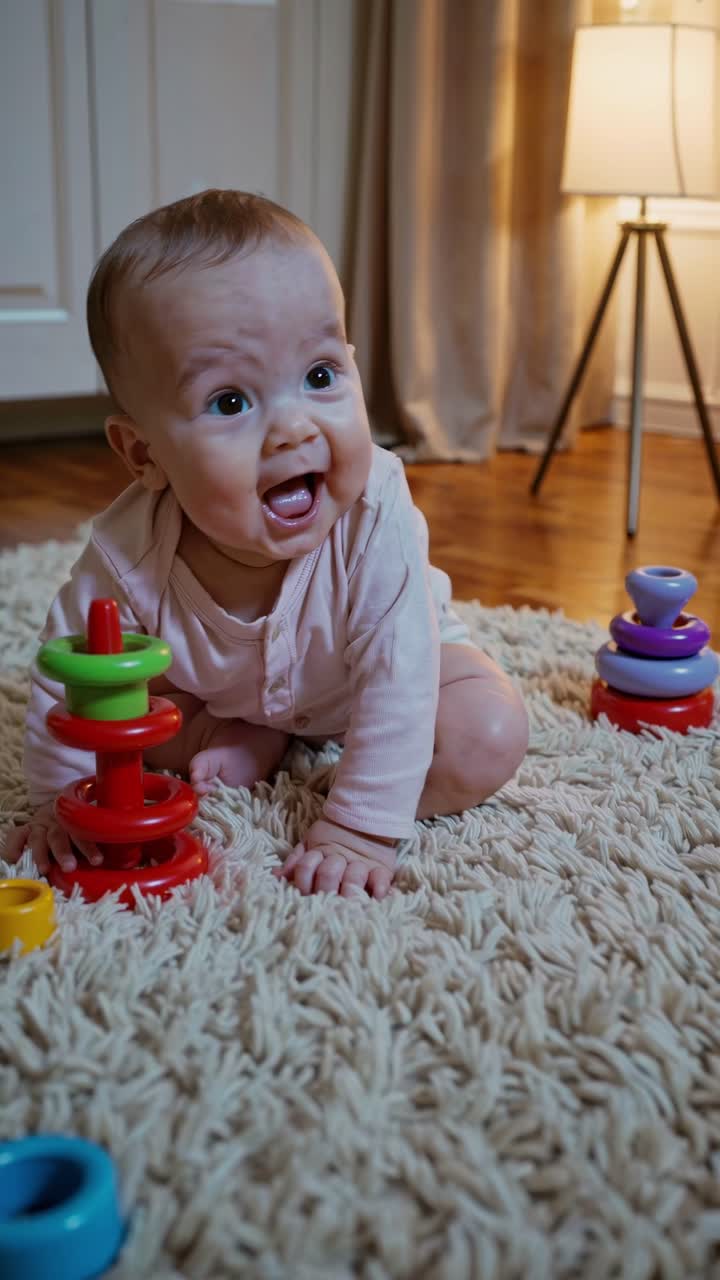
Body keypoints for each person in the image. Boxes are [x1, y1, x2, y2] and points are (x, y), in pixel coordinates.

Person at [3, 189, 529, 900]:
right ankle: (257, 735)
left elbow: (400, 671)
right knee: (131, 719)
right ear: (143, 455)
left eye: (319, 377)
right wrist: (62, 800)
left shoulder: (375, 508)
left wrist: (359, 827)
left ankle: (297, 752)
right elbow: (74, 680)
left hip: (388, 673)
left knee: (487, 733)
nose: (292, 428)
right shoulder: (129, 555)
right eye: (230, 401)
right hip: (225, 693)